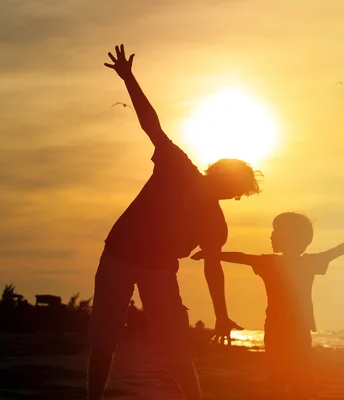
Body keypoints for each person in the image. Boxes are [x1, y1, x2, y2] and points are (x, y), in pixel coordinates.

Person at [87, 44, 263, 400]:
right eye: (236, 188)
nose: (233, 195)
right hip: (118, 255)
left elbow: (213, 268)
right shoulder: (177, 165)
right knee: (105, 338)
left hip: (159, 271)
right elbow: (151, 123)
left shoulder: (215, 222)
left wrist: (222, 314)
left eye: (238, 193)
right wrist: (129, 78)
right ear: (219, 175)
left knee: (175, 348)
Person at [191, 212, 344, 398]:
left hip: (282, 327)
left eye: (276, 232)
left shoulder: (274, 263)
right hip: (289, 327)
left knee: (283, 376)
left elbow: (241, 257)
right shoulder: (303, 262)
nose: (271, 236)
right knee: (295, 375)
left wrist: (211, 254)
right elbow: (340, 250)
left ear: (289, 237)